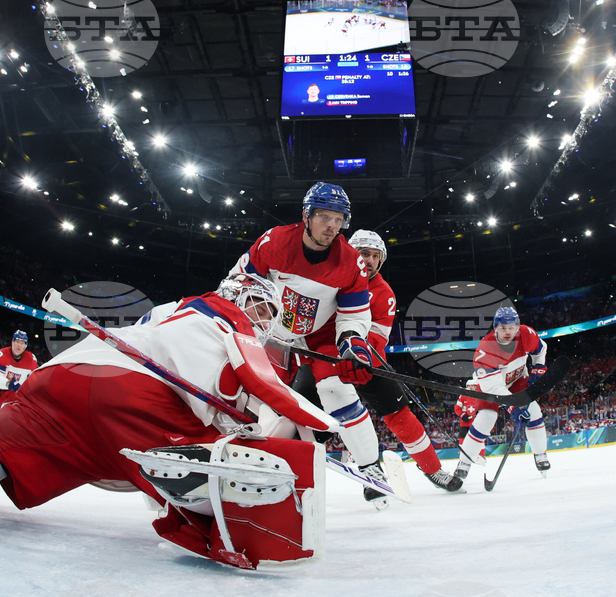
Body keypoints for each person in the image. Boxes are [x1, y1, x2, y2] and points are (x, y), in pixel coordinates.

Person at [0, 274, 342, 570]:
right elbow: (260, 383)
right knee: (223, 466)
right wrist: (317, 421)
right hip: (133, 400)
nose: (264, 320)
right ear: (239, 296)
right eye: (262, 308)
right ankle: (234, 534)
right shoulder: (230, 319)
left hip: (65, 377)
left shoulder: (172, 309)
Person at [231, 182, 391, 508]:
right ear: (307, 214)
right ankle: (235, 453)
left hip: (320, 335)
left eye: (339, 219)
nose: (332, 226)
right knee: (247, 388)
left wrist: (353, 345)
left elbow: (353, 317)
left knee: (337, 389)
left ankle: (371, 466)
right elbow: (238, 284)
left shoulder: (352, 263)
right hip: (268, 328)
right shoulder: (274, 242)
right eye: (324, 217)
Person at [306, 229, 463, 492]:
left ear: (380, 261)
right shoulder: (327, 278)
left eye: (373, 256)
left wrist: (358, 357)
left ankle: (433, 470)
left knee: (401, 417)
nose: (367, 260)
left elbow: (377, 339)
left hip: (366, 360)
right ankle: (367, 465)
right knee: (304, 413)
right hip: (324, 357)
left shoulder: (383, 292)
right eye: (362, 253)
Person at [454, 307, 551, 483]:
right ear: (495, 327)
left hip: (516, 380)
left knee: (534, 412)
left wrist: (538, 368)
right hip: (491, 387)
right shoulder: (485, 350)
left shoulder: (526, 334)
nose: (508, 332)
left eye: (512, 327)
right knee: (486, 418)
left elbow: (540, 350)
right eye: (503, 327)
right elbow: (495, 388)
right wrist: (513, 406)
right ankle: (464, 463)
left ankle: (540, 454)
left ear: (517, 326)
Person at [0, 330, 39, 419]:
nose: (19, 345)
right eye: (17, 342)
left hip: (15, 396)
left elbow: (35, 377)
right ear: (12, 342)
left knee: (8, 423)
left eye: (22, 343)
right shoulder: (2, 354)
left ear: (25, 345)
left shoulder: (31, 359)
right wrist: (8, 383)